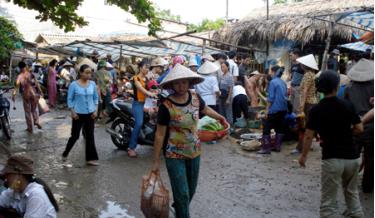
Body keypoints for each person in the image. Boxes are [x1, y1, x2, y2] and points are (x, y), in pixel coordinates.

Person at [151, 63, 226, 218]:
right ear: (171, 84)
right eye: (177, 82)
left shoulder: (195, 98)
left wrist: (220, 117)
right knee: (183, 193)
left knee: (190, 190)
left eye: (184, 82)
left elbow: (205, 110)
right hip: (173, 155)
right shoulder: (166, 106)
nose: (181, 86)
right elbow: (159, 135)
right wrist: (156, 161)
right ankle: (182, 210)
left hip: (194, 152)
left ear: (189, 82)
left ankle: (179, 206)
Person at [299, 70, 364, 218]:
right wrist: (346, 132)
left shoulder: (316, 110)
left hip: (332, 159)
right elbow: (359, 128)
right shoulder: (347, 105)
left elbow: (308, 136)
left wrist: (303, 156)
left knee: (329, 202)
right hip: (352, 158)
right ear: (336, 86)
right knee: (351, 194)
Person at [345, 58, 374, 193]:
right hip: (371, 127)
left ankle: (350, 184)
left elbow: (345, 107)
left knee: (352, 157)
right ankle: (368, 186)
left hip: (354, 127)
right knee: (370, 158)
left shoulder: (349, 88)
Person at [62, 64, 100, 166]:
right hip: (78, 114)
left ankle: (90, 159)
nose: (89, 75)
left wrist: (95, 111)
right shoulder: (74, 85)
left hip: (90, 114)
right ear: (81, 73)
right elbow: (70, 99)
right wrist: (72, 112)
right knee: (75, 136)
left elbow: (96, 98)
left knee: (90, 136)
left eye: (90, 73)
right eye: (86, 72)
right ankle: (65, 153)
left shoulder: (92, 84)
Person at [128, 60, 157, 157]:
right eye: (145, 67)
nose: (147, 69)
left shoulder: (147, 79)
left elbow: (154, 87)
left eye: (148, 67)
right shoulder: (136, 78)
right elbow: (141, 89)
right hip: (138, 105)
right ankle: (131, 148)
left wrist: (155, 88)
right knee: (139, 123)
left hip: (147, 103)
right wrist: (149, 93)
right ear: (140, 67)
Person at [292, 54, 319, 154]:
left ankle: (300, 148)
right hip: (312, 102)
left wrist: (301, 106)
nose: (300, 65)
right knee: (309, 126)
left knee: (303, 127)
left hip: (308, 103)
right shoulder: (312, 74)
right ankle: (306, 145)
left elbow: (305, 91)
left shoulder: (308, 75)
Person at [257, 66, 288, 154]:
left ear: (273, 72)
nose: (270, 73)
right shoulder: (283, 82)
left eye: (271, 71)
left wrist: (267, 111)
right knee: (279, 127)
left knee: (266, 126)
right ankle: (277, 147)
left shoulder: (273, 82)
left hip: (275, 108)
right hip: (283, 109)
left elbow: (270, 98)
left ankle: (266, 148)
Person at [12, 61, 43, 133]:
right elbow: (36, 83)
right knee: (34, 109)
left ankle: (30, 128)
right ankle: (36, 121)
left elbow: (16, 86)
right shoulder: (30, 74)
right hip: (33, 92)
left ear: (19, 68)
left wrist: (13, 95)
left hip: (25, 93)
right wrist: (41, 91)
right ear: (25, 66)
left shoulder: (20, 76)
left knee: (27, 112)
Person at [289, 48, 304, 113]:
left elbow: (305, 77)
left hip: (298, 87)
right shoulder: (293, 65)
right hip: (292, 87)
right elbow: (291, 77)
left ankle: (296, 121)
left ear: (296, 55)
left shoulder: (302, 65)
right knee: (291, 105)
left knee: (296, 107)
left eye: (291, 55)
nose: (290, 57)